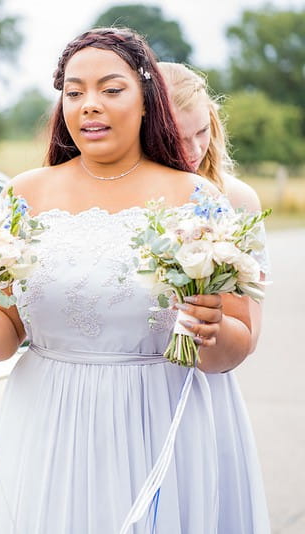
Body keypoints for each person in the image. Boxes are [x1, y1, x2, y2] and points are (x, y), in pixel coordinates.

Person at [0, 28, 270, 533]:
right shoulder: (21, 195)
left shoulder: (197, 198)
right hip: (47, 424)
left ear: (146, 103)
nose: (89, 105)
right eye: (74, 93)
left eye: (111, 90)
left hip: (159, 419)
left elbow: (234, 346)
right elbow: (6, 339)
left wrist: (210, 331)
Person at [158, 60, 270, 534]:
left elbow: (249, 328)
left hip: (202, 394)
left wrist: (212, 323)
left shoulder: (235, 199)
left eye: (201, 131)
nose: (193, 149)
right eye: (177, 137)